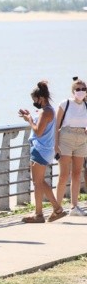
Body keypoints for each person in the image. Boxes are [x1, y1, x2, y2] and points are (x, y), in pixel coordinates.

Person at [18, 81, 67, 223]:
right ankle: (45, 212)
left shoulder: (46, 112)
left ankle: (49, 211)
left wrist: (29, 120)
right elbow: (42, 127)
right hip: (43, 149)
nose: (34, 103)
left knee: (38, 182)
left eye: (35, 100)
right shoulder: (48, 110)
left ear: (41, 98)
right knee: (38, 181)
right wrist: (31, 117)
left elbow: (38, 131)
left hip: (41, 149)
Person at [54, 76, 87, 215]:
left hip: (81, 139)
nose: (81, 91)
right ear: (73, 91)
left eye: (83, 89)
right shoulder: (65, 103)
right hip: (66, 138)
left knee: (77, 173)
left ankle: (74, 206)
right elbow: (56, 126)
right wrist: (56, 145)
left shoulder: (86, 105)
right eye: (78, 89)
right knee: (63, 174)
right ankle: (57, 207)